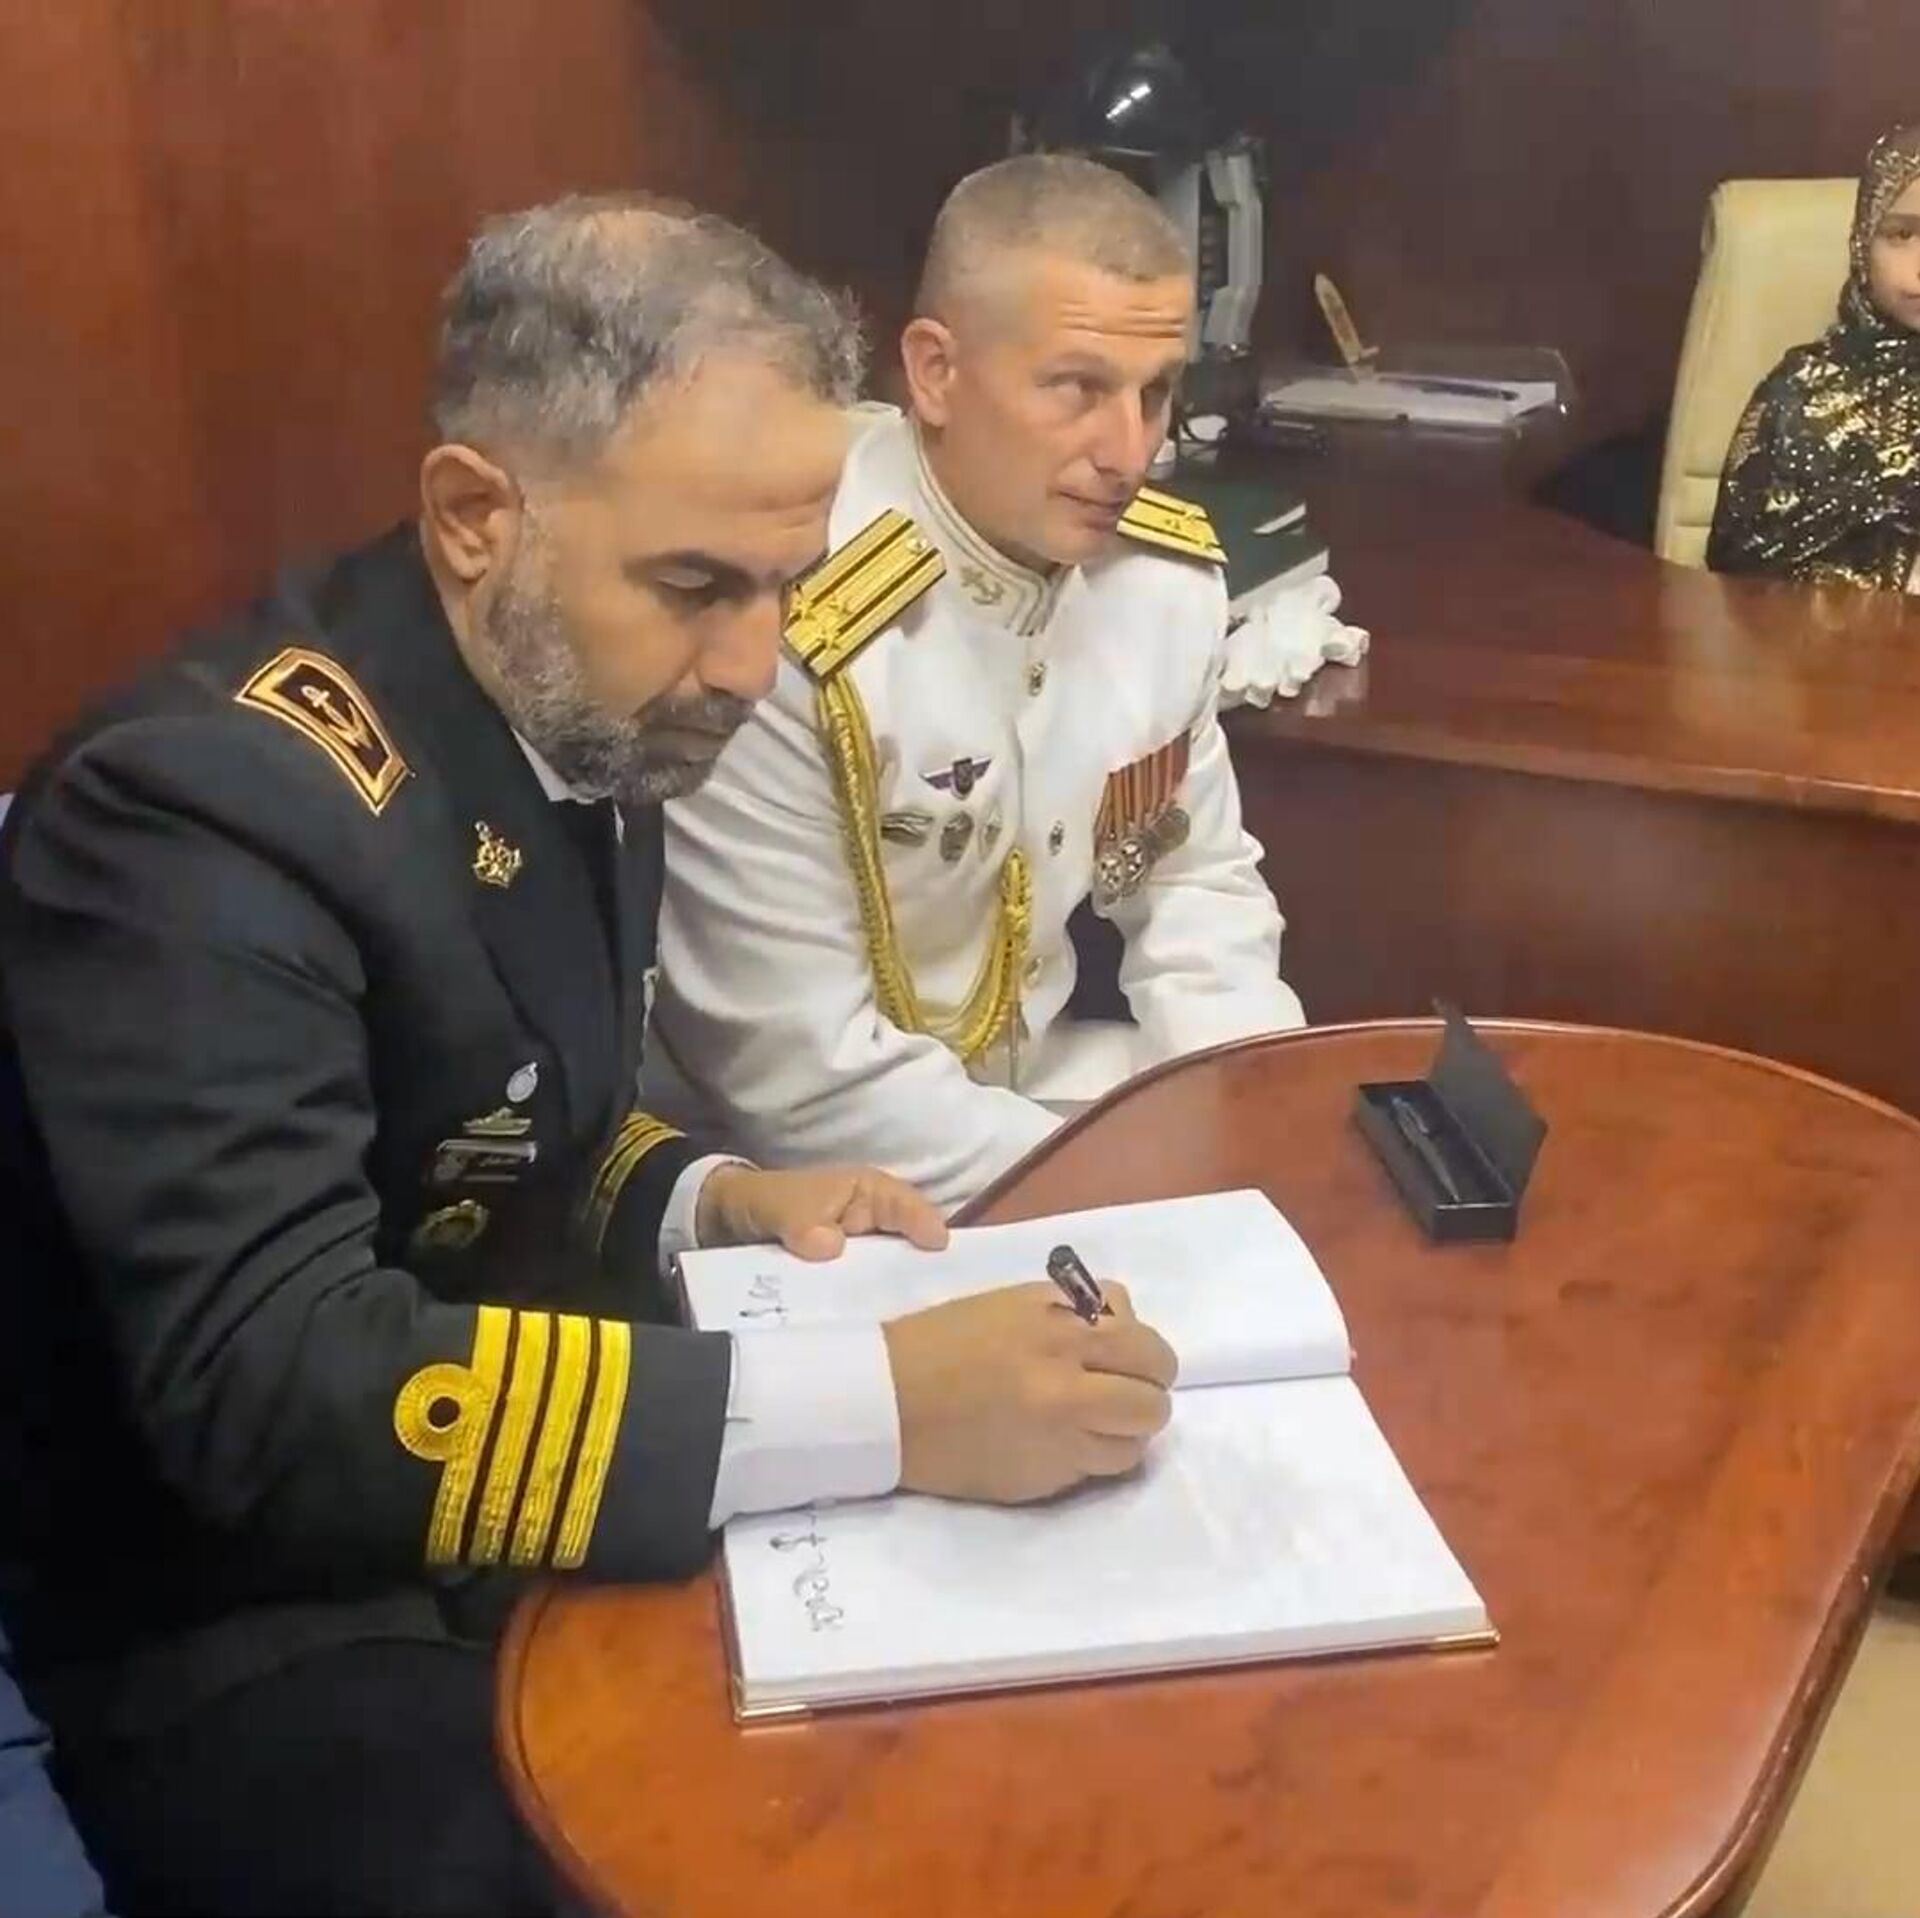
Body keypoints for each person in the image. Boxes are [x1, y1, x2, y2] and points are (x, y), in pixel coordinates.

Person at [0, 194, 1178, 1917]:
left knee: (992, 1753)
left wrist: (708, 1198)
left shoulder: (583, 686)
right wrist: (885, 1404)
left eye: (782, 586)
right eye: (698, 586)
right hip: (245, 1610)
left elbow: (497, 1111)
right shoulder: (204, 812)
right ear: (477, 514)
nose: (753, 664)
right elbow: (270, 1388)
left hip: (504, 1485)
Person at [648, 155, 1306, 1211]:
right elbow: (799, 1077)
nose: (1130, 452)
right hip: (792, 1177)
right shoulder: (788, 606)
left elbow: (1193, 889)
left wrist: (1258, 1130)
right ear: (935, 372)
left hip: (1028, 1096)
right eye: (1078, 389)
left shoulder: (1159, 586)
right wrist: (1148, 1190)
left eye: (1156, 393)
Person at [1707, 123, 1920, 592]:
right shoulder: (1803, 394)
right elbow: (1743, 574)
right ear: (1863, 242)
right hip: (1836, 637)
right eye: (1902, 234)